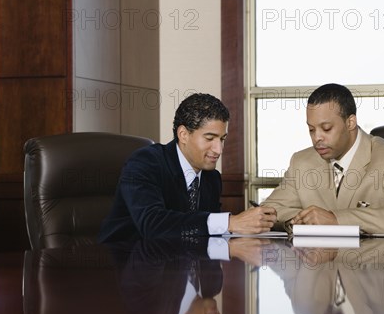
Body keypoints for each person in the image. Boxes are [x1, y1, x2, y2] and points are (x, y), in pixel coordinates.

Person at [99, 93, 277, 242]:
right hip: (128, 268)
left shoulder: (211, 177)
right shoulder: (144, 163)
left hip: (182, 269)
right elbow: (152, 225)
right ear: (183, 134)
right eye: (209, 138)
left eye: (222, 139)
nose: (219, 149)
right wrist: (230, 223)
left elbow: (205, 233)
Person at [262, 83, 384, 234]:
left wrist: (335, 219)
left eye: (326, 128)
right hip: (319, 262)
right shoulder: (301, 161)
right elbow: (268, 210)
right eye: (311, 129)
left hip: (376, 261)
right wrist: (304, 219)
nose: (317, 137)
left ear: (350, 122)